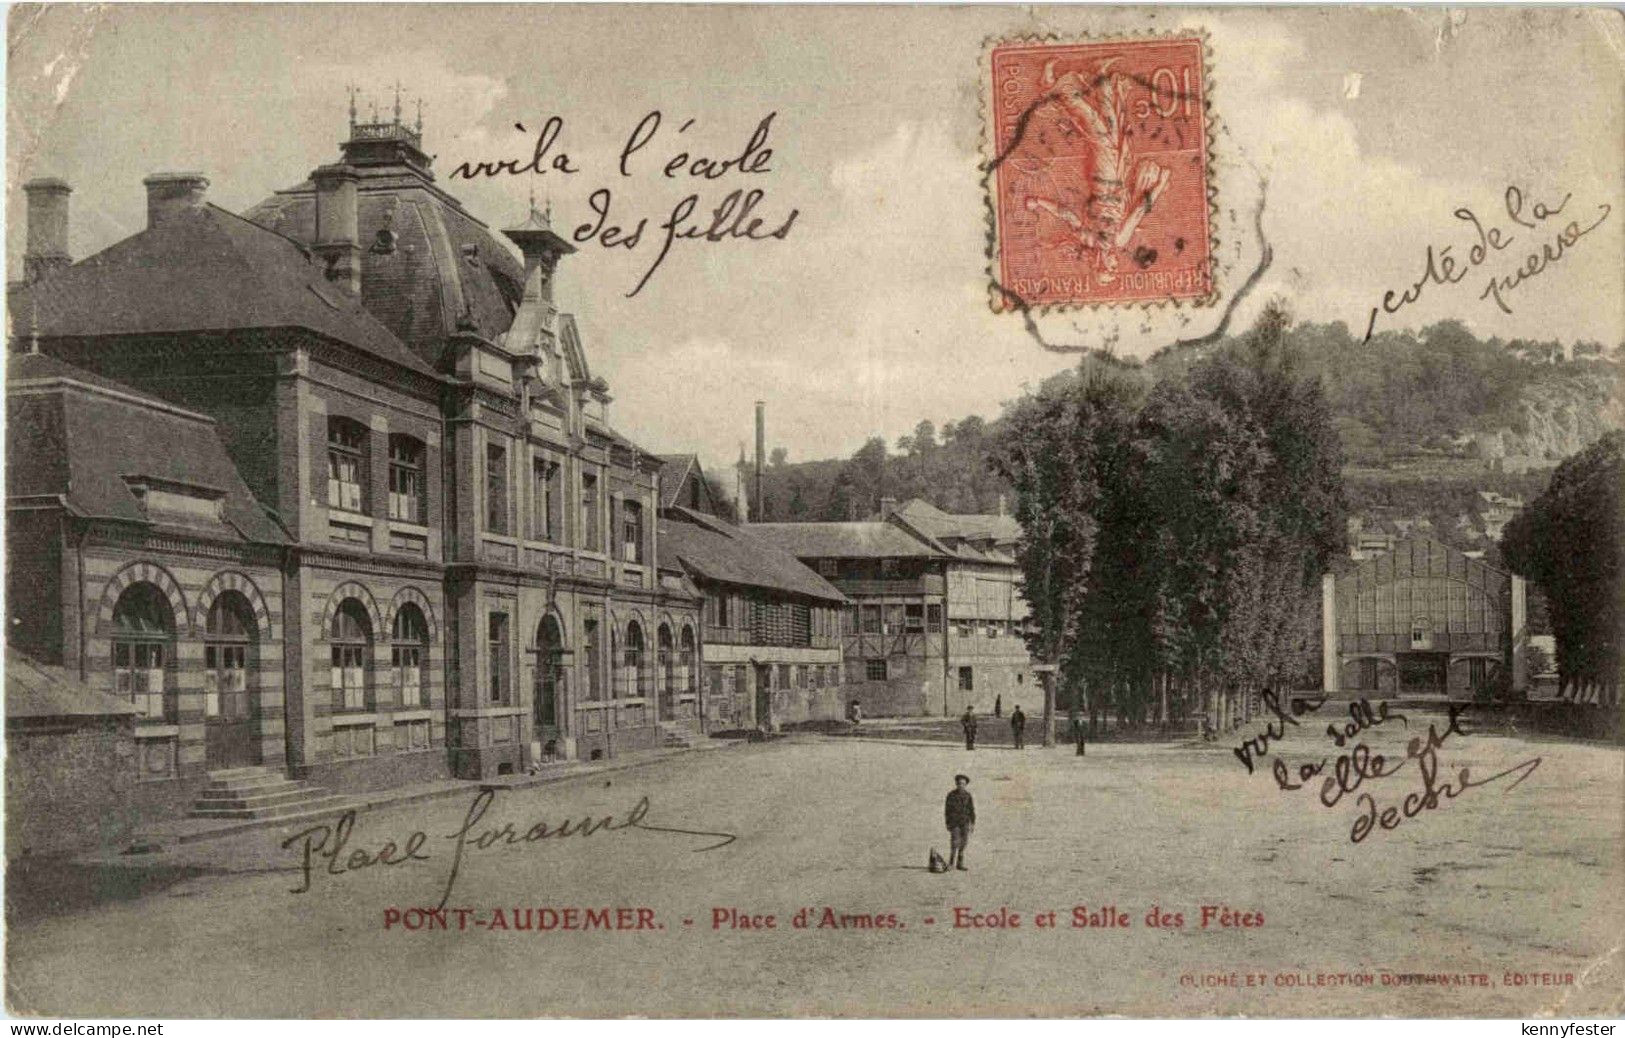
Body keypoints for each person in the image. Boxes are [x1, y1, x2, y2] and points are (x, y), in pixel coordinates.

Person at [944, 774, 975, 871]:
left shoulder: (968, 796)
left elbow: (971, 810)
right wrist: (948, 823)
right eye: (959, 783)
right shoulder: (951, 795)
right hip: (955, 823)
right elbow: (947, 810)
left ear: (966, 785)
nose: (961, 785)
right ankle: (951, 863)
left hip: (965, 822)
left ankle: (960, 863)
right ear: (956, 784)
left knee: (964, 842)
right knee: (954, 843)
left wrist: (972, 823)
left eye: (963, 784)